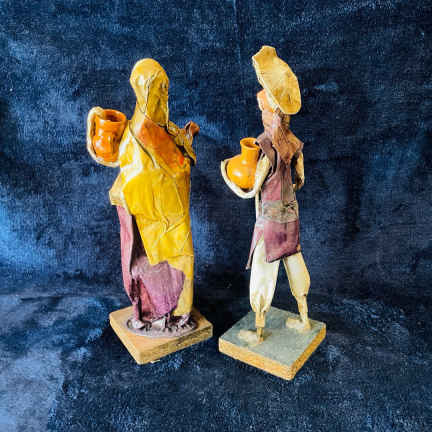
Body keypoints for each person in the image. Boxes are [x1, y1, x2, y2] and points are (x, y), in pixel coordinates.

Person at [87, 59, 199, 337]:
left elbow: (171, 159)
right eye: (160, 88)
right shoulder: (142, 130)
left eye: (165, 88)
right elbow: (163, 171)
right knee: (165, 261)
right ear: (146, 91)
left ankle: (170, 313)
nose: (165, 95)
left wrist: (183, 140)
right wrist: (182, 160)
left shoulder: (155, 125)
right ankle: (163, 314)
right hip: (155, 215)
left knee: (173, 259)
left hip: (164, 211)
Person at [221, 46, 311, 341]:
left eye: (263, 108)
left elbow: (251, 189)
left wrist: (227, 174)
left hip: (270, 218)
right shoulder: (293, 143)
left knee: (263, 270)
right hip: (291, 214)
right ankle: (304, 318)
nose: (261, 112)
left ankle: (258, 331)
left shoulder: (266, 147)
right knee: (294, 260)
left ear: (272, 112)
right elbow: (300, 180)